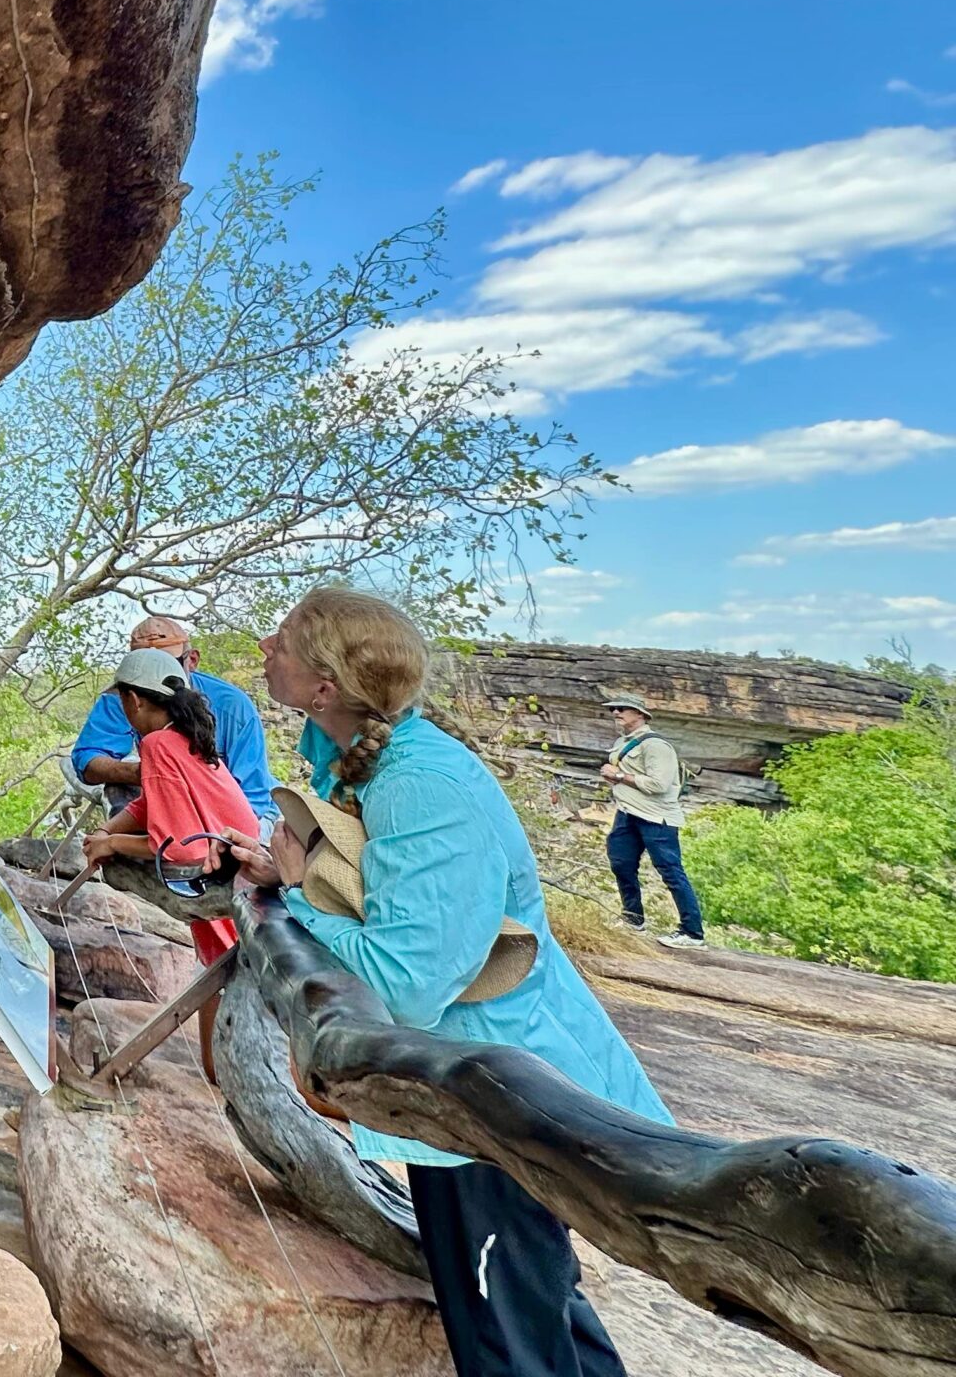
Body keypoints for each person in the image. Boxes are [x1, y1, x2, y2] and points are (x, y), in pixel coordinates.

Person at [221, 588, 671, 1377]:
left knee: (506, 1336)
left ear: (325, 686)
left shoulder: (420, 786)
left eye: (282, 637)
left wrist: (296, 895)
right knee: (536, 1311)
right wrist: (295, 872)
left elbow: (406, 982)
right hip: (473, 1086)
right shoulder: (370, 759)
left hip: (499, 1098)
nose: (265, 645)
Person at [80, 647, 260, 1078]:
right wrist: (108, 831)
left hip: (219, 879)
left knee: (222, 976)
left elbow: (174, 847)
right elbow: (151, 801)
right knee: (220, 971)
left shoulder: (158, 744)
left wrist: (113, 844)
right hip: (241, 870)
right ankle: (218, 1071)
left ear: (133, 700)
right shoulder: (183, 736)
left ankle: (219, 1074)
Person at [72, 614, 279, 830]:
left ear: (192, 660)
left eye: (167, 665)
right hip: (179, 809)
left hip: (239, 819)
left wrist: (116, 842)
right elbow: (87, 760)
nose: (151, 676)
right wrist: (147, 774)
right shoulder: (123, 701)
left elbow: (251, 802)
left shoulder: (233, 707)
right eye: (142, 667)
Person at [598, 691, 706, 949]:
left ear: (640, 714)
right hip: (628, 813)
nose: (616, 712)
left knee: (671, 872)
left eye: (622, 708)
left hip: (656, 819)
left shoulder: (656, 745)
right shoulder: (623, 742)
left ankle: (692, 933)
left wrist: (619, 776)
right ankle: (633, 919)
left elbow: (659, 784)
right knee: (621, 863)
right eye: (613, 708)